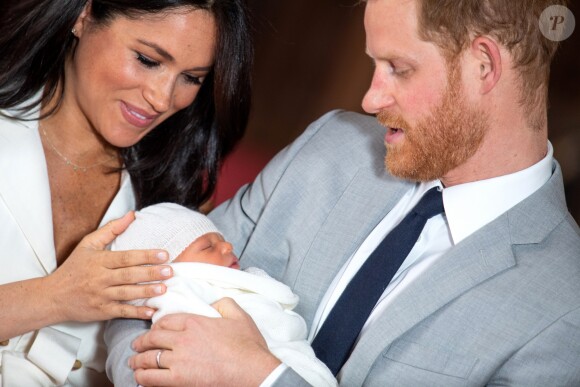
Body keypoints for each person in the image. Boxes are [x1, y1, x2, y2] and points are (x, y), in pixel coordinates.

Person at [108, 0, 580, 385]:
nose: (370, 100)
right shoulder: (331, 145)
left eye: (398, 68)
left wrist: (262, 379)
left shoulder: (565, 312)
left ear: (484, 65)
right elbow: (145, 288)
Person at [0, 0, 252, 385]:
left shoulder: (176, 199)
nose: (163, 98)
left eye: (192, 78)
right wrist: (54, 296)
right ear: (84, 16)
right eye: (148, 60)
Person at [108, 202, 337, 387]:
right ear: (167, 270)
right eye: (208, 247)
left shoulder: (243, 282)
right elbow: (189, 344)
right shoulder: (177, 292)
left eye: (222, 239)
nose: (228, 246)